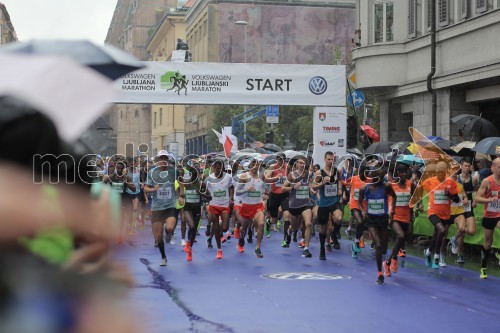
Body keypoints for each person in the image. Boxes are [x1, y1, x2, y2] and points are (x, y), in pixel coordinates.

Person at [416, 161, 460, 270]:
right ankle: (436, 256)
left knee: (436, 235)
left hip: (445, 214)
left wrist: (449, 194)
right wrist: (420, 204)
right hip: (433, 212)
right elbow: (419, 189)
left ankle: (428, 252)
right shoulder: (430, 181)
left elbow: (457, 199)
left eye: (443, 172)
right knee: (441, 230)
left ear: (446, 172)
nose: (441, 174)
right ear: (436, 172)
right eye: (439, 172)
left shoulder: (450, 182)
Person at [144, 150, 183, 266]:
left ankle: (169, 233)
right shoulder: (152, 172)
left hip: (170, 205)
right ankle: (163, 257)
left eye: (165, 158)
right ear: (157, 161)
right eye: (161, 159)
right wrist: (153, 190)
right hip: (157, 207)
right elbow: (145, 188)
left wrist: (181, 195)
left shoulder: (174, 171)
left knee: (170, 228)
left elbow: (181, 183)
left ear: (168, 160)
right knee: (158, 235)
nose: (163, 161)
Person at [358, 167, 396, 284]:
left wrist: (392, 210)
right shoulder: (364, 188)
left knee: (384, 249)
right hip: (371, 219)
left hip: (383, 219)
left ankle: (384, 262)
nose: (377, 180)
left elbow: (394, 196)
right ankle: (380, 274)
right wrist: (362, 211)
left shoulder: (386, 187)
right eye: (374, 178)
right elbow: (359, 202)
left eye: (379, 178)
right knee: (378, 245)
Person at [311, 151, 343, 260]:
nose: (330, 161)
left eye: (332, 159)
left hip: (334, 201)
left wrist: (339, 189)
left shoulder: (337, 171)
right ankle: (322, 249)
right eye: (328, 159)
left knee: (339, 218)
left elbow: (340, 181)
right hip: (324, 203)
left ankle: (334, 234)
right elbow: (313, 187)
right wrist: (322, 183)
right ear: (324, 159)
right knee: (324, 229)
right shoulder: (319, 173)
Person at [384, 164, 415, 275]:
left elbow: (416, 196)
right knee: (401, 236)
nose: (403, 174)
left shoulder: (410, 184)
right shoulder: (392, 185)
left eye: (405, 172)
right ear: (397, 174)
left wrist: (418, 204)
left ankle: (390, 261)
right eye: (401, 172)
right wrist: (388, 213)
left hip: (406, 217)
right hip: (394, 216)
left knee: (403, 238)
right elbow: (385, 198)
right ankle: (390, 261)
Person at [473, 157, 500, 279]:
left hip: (499, 215)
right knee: (487, 244)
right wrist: (489, 199)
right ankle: (483, 266)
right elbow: (477, 198)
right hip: (489, 215)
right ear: (493, 168)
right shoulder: (487, 181)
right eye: (499, 167)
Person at [282, 156, 313, 258]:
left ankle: (306, 249)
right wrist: (293, 187)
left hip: (305, 203)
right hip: (294, 205)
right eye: (300, 163)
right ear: (296, 164)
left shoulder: (308, 175)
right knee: (294, 227)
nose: (302, 165)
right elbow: (283, 189)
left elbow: (310, 186)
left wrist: (312, 190)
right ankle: (289, 233)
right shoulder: (292, 175)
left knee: (308, 224)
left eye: (304, 163)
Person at [235, 157, 267, 258]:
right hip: (246, 206)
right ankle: (241, 239)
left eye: (257, 164)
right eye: (253, 163)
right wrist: (246, 190)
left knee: (261, 223)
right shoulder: (244, 176)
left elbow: (264, 190)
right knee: (244, 228)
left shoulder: (262, 177)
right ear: (250, 166)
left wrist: (265, 194)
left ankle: (257, 247)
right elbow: (237, 192)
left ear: (258, 166)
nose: (255, 166)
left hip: (258, 206)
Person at [449, 158, 478, 263]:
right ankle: (460, 255)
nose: (467, 168)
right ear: (461, 166)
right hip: (459, 208)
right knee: (462, 232)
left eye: (468, 166)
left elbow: (477, 190)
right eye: (465, 165)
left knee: (471, 231)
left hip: (469, 207)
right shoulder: (456, 178)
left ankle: (453, 238)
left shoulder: (473, 179)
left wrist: (475, 201)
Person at [205, 156, 234, 259]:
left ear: (222, 167)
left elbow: (231, 187)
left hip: (225, 205)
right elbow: (204, 190)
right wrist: (207, 196)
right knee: (216, 226)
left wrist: (231, 197)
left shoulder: (228, 177)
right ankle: (219, 249)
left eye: (220, 167)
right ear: (213, 167)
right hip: (213, 205)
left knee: (225, 227)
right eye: (217, 168)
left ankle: (216, 234)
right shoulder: (209, 178)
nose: (218, 169)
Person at [264, 153, 290, 244]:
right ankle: (268, 223)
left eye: (283, 159)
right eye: (279, 159)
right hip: (274, 195)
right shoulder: (273, 167)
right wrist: (275, 178)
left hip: (284, 194)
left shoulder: (288, 167)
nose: (281, 161)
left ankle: (285, 239)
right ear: (277, 160)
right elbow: (266, 178)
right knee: (273, 219)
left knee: (287, 215)